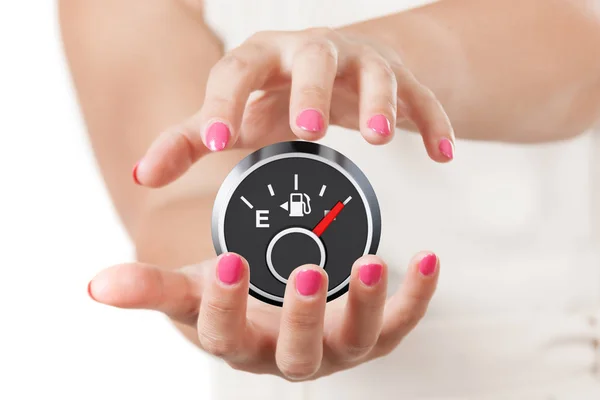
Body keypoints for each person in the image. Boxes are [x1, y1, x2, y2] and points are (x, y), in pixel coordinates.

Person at [60, 0, 600, 398]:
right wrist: (230, 296)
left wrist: (384, 62)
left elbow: (583, 49)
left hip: (557, 363)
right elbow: (182, 194)